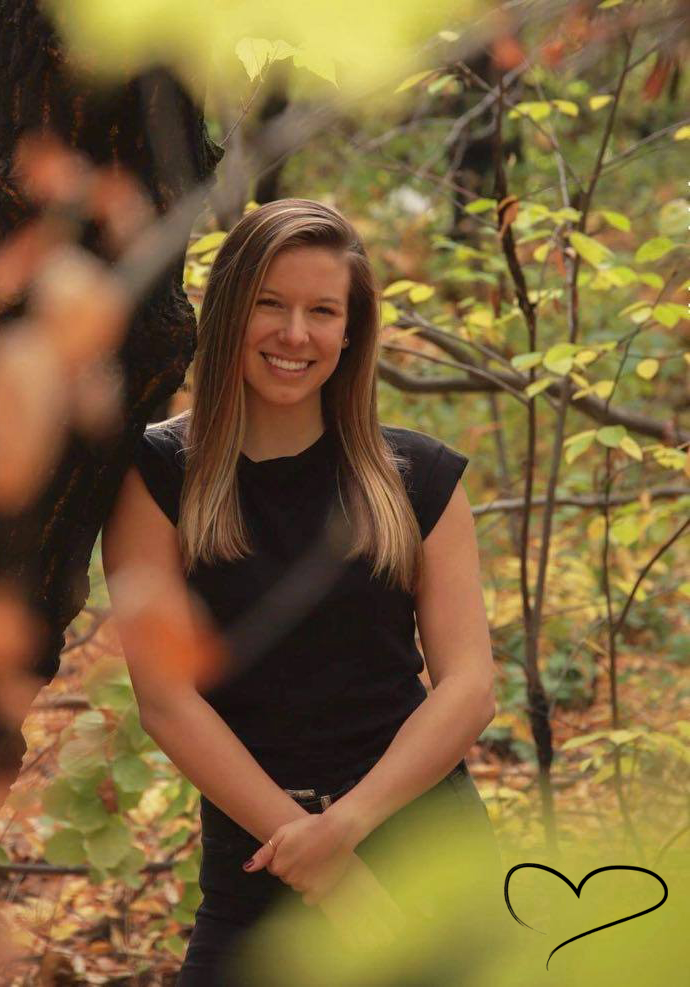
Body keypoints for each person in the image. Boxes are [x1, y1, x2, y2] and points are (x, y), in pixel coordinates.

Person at [102, 198, 502, 987]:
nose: (295, 334)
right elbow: (168, 699)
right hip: (258, 850)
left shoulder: (418, 478)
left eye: (323, 311)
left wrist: (343, 831)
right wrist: (318, 859)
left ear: (351, 332)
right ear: (227, 312)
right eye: (270, 305)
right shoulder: (156, 477)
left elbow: (470, 688)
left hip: (420, 840)